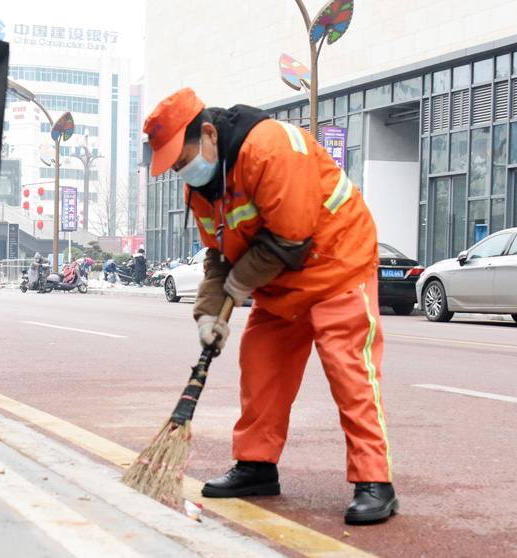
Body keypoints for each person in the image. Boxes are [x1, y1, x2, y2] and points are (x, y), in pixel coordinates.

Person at [143, 88, 397, 525]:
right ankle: (256, 466)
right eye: (175, 168)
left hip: (337, 264)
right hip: (279, 283)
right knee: (260, 363)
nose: (183, 172)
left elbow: (290, 240)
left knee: (349, 371)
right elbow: (219, 255)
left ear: (207, 133)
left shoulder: (271, 147)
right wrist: (208, 313)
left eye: (183, 160)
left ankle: (375, 482)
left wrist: (236, 290)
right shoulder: (204, 188)